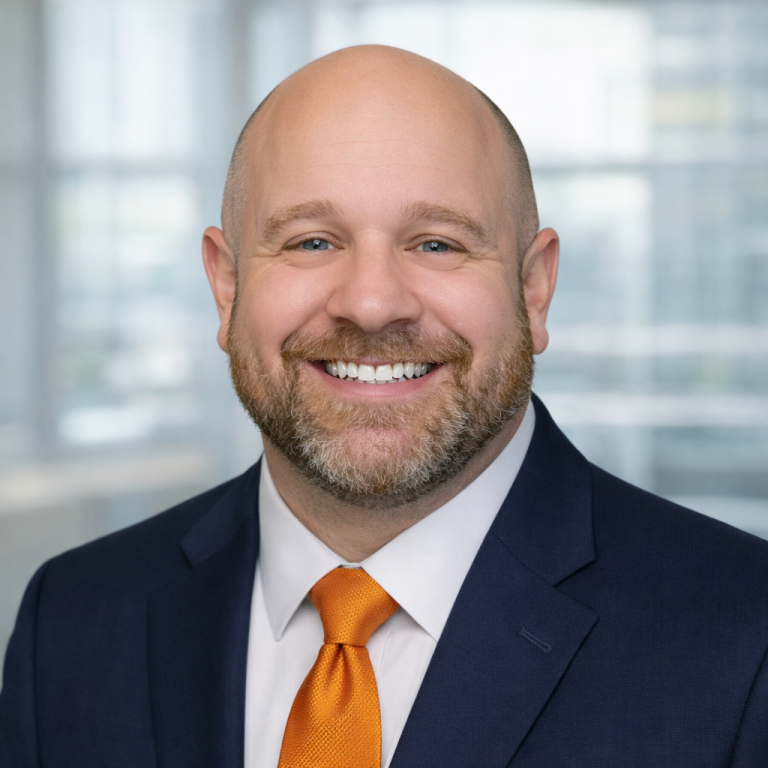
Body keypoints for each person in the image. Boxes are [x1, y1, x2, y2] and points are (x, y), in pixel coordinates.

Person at [1, 45, 767, 768]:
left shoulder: (743, 637)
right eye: (310, 242)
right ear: (227, 286)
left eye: (436, 243)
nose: (371, 305)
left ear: (534, 289)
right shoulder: (71, 621)